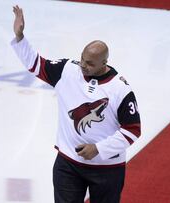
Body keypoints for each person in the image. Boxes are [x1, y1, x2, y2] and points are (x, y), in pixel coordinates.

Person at [11, 5, 141, 203]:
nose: (83, 65)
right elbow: (35, 64)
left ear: (104, 62)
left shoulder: (120, 90)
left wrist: (99, 148)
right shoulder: (67, 71)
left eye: (90, 63)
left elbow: (132, 131)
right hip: (68, 164)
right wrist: (20, 37)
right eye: (82, 59)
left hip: (107, 169)